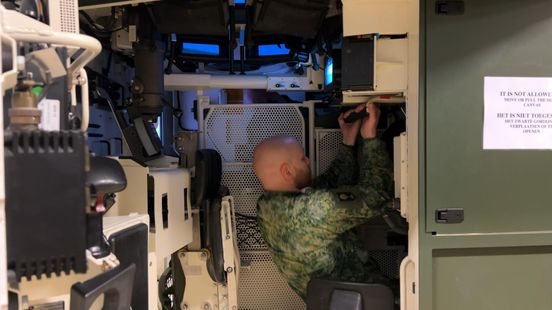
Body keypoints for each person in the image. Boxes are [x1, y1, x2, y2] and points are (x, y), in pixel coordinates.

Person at [252, 102, 394, 300]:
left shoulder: (267, 205)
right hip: (370, 299)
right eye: (303, 159)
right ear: (287, 171)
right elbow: (378, 195)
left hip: (348, 300)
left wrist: (349, 140)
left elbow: (327, 189)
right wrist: (370, 137)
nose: (308, 161)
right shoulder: (310, 210)